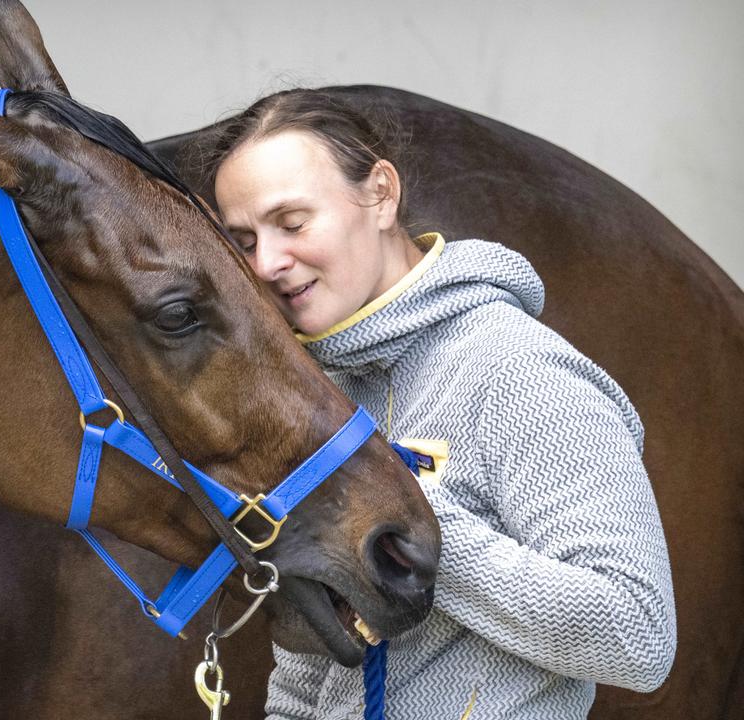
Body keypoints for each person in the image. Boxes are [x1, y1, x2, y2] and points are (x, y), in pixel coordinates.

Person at [206, 89, 676, 719]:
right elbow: (306, 671)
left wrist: (406, 523)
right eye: (243, 240)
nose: (266, 263)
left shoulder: (515, 368)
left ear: (380, 194)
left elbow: (638, 634)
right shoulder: (322, 398)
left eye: (292, 224)